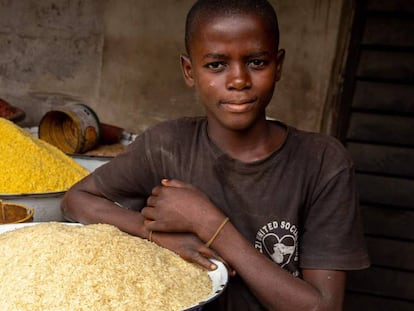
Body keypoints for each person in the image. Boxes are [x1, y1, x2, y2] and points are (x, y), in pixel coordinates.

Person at [61, 0, 370, 310]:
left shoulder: (323, 163)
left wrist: (210, 225)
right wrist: (150, 232)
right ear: (189, 71)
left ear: (279, 66)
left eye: (257, 62)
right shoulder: (166, 145)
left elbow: (322, 308)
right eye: (216, 65)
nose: (238, 81)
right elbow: (76, 200)